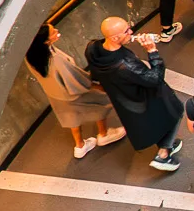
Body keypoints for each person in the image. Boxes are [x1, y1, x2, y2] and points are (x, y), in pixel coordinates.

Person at [85, 17, 186, 172]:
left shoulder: (94, 49)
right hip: (145, 96)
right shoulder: (125, 65)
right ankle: (164, 153)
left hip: (126, 99)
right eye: (126, 31)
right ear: (115, 37)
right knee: (176, 112)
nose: (131, 32)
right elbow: (155, 79)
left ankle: (167, 144)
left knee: (158, 121)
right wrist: (152, 52)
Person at [25, 24, 122, 158]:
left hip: (56, 95)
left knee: (71, 116)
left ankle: (80, 146)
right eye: (53, 32)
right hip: (73, 92)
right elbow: (74, 78)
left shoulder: (32, 56)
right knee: (100, 104)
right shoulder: (55, 59)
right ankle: (103, 134)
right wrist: (94, 84)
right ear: (46, 41)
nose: (57, 31)